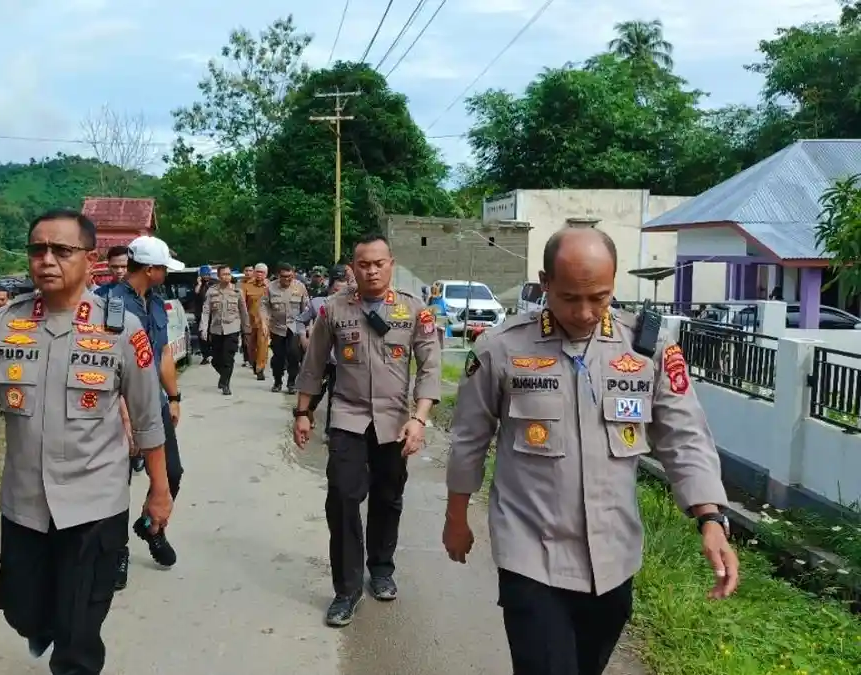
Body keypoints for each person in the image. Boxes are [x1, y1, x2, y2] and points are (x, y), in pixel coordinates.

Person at [444, 227, 738, 675]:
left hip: (613, 558)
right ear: (545, 283)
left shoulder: (647, 348)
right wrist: (456, 516)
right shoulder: (501, 349)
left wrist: (710, 517)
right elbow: (469, 438)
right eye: (569, 298)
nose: (584, 313)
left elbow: (685, 435)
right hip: (531, 554)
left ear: (614, 282)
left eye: (598, 297)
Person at [0, 208, 172, 675]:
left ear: (89, 259)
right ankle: (45, 623)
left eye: (61, 250)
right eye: (38, 249)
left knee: (79, 633)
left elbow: (147, 417)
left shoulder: (121, 329)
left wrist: (160, 490)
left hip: (95, 504)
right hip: (25, 505)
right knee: (22, 610)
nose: (47, 259)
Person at [293, 234, 442, 627]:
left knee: (388, 497)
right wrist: (303, 412)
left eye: (379, 263)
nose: (372, 271)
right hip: (348, 417)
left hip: (395, 422)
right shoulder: (333, 309)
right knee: (342, 498)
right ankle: (346, 589)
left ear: (391, 264)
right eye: (364, 265)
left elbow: (430, 367)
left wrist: (419, 418)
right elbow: (313, 364)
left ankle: (380, 568)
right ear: (353, 268)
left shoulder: (414, 310)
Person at [94, 236, 186, 591]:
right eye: (164, 268)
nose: (166, 274)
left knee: (171, 472)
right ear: (150, 269)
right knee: (119, 482)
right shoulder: (108, 303)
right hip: (115, 408)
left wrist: (174, 397)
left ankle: (152, 526)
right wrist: (125, 416)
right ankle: (118, 552)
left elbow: (162, 354)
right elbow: (106, 363)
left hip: (153, 402)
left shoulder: (157, 303)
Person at [296, 266, 348, 430]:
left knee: (336, 396)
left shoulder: (353, 306)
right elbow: (300, 320)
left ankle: (330, 431)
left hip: (342, 360)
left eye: (344, 290)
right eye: (337, 290)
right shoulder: (318, 303)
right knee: (316, 391)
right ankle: (307, 411)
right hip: (321, 357)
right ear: (330, 287)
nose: (340, 294)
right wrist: (303, 338)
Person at [199, 264, 250, 395]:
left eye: (228, 274)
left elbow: (243, 312)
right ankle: (223, 376)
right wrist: (203, 328)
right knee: (216, 360)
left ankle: (226, 384)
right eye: (224, 274)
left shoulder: (237, 291)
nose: (227, 277)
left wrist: (246, 329)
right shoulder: (211, 291)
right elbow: (206, 311)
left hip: (232, 328)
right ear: (218, 276)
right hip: (216, 329)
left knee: (228, 358)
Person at [261, 263, 310, 394]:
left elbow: (306, 308)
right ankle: (277, 381)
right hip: (277, 327)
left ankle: (291, 383)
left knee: (294, 355)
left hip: (295, 327)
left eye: (290, 276)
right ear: (278, 275)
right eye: (284, 276)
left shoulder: (300, 287)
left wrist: (306, 327)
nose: (287, 279)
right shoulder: (270, 288)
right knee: (278, 356)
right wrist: (264, 323)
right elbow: (264, 306)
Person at [242, 263, 270, 381]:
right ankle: (253, 362)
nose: (259, 274)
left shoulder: (270, 286)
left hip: (264, 322)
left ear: (266, 274)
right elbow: (242, 304)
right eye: (257, 272)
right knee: (250, 346)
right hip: (250, 321)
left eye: (262, 272)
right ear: (254, 272)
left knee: (263, 345)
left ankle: (260, 368)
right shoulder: (246, 286)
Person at [194, 264, 215, 365]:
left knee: (213, 334)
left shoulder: (214, 283)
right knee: (202, 334)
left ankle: (213, 353)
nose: (206, 276)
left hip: (213, 313)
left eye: (207, 274)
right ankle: (205, 355)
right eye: (204, 275)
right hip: (201, 313)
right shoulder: (198, 284)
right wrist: (199, 283)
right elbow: (196, 293)